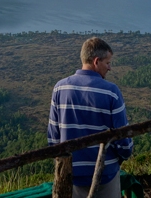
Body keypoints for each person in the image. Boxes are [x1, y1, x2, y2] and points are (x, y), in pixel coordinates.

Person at [47, 37, 133, 198]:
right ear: (96, 61)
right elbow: (124, 141)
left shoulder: (60, 88)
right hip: (105, 174)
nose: (110, 68)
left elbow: (53, 138)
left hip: (71, 174)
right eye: (107, 63)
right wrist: (124, 156)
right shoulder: (111, 92)